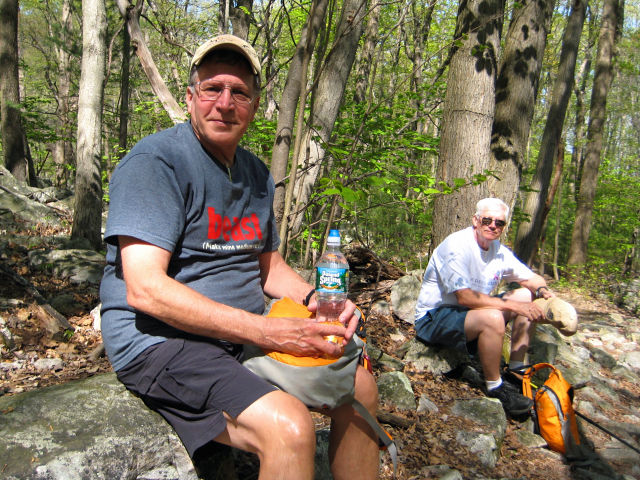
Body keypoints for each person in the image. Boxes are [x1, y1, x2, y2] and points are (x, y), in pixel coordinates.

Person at [99, 34, 379, 479]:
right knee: (289, 427)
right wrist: (269, 331)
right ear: (191, 96)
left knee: (359, 388)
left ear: (254, 105)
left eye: (239, 92)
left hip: (240, 336)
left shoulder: (254, 173)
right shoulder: (156, 163)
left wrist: (319, 300)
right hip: (161, 342)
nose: (224, 103)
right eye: (212, 88)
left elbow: (269, 267)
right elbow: (145, 290)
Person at [413, 197, 554, 416]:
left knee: (528, 296)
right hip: (434, 318)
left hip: (470, 314)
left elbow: (530, 279)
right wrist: (514, 307)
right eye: (487, 220)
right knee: (495, 317)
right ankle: (495, 386)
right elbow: (465, 298)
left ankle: (515, 371)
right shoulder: (457, 245)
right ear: (476, 220)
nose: (492, 226)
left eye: (499, 223)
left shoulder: (497, 250)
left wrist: (544, 292)